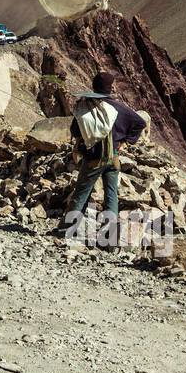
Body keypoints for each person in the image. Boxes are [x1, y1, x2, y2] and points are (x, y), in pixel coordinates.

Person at [61, 70, 146, 247]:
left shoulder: (86, 106)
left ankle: (68, 230)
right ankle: (110, 238)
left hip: (93, 158)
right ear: (110, 87)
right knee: (111, 195)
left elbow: (75, 131)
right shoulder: (120, 108)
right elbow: (140, 122)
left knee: (82, 192)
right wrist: (124, 140)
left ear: (94, 87)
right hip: (113, 157)